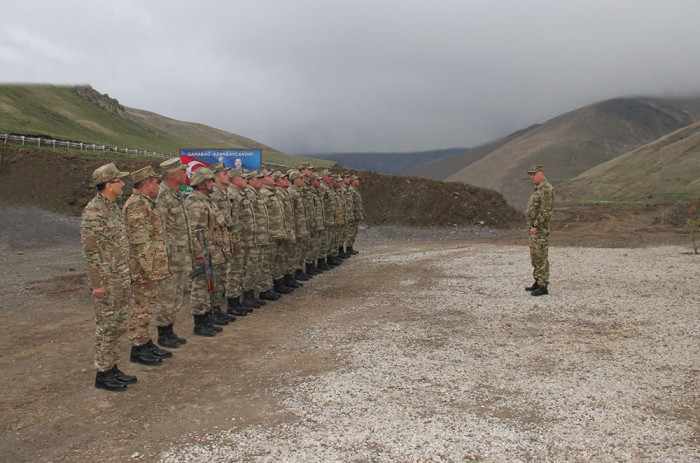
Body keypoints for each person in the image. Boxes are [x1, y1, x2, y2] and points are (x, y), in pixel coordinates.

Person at [80, 163, 136, 391]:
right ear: (108, 185)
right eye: (119, 181)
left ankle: (112, 367)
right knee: (106, 326)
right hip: (107, 281)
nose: (123, 184)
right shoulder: (94, 212)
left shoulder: (113, 208)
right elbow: (90, 252)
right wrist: (97, 284)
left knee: (118, 324)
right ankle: (103, 373)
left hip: (120, 278)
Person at [123, 166, 172, 366]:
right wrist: (145, 270)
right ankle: (138, 347)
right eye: (156, 183)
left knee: (148, 306)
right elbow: (140, 242)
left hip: (151, 266)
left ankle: (145, 341)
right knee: (141, 308)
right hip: (143, 269)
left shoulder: (147, 203)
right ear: (148, 184)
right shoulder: (137, 205)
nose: (159, 187)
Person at [186, 167, 231, 336]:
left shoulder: (208, 201)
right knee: (201, 287)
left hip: (215, 251)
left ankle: (211, 313)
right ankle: (200, 322)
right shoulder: (195, 203)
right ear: (202, 184)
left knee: (214, 284)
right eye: (210, 181)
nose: (213, 184)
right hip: (203, 253)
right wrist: (198, 251)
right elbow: (192, 230)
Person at [155, 158, 193, 348]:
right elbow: (158, 229)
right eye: (183, 171)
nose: (186, 174)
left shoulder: (176, 195)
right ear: (174, 175)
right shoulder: (162, 196)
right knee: (166, 296)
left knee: (177, 295)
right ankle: (163, 333)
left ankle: (170, 329)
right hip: (169, 257)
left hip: (180, 255)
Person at [525, 164, 555, 296]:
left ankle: (543, 285)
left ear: (541, 174)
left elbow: (546, 211)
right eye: (531, 174)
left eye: (534, 174)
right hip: (534, 229)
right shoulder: (538, 189)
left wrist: (536, 225)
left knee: (541, 256)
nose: (532, 177)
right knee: (535, 256)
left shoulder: (546, 189)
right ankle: (537, 281)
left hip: (540, 229)